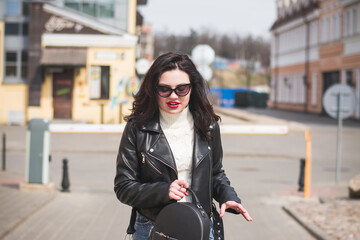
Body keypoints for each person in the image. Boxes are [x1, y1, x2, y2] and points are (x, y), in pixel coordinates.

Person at [114, 51, 252, 240]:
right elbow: (123, 186)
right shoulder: (138, 128)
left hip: (199, 226)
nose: (173, 96)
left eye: (181, 89)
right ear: (153, 89)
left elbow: (216, 173)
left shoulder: (208, 125)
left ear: (192, 88)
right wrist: (163, 191)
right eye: (164, 89)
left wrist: (229, 197)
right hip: (153, 227)